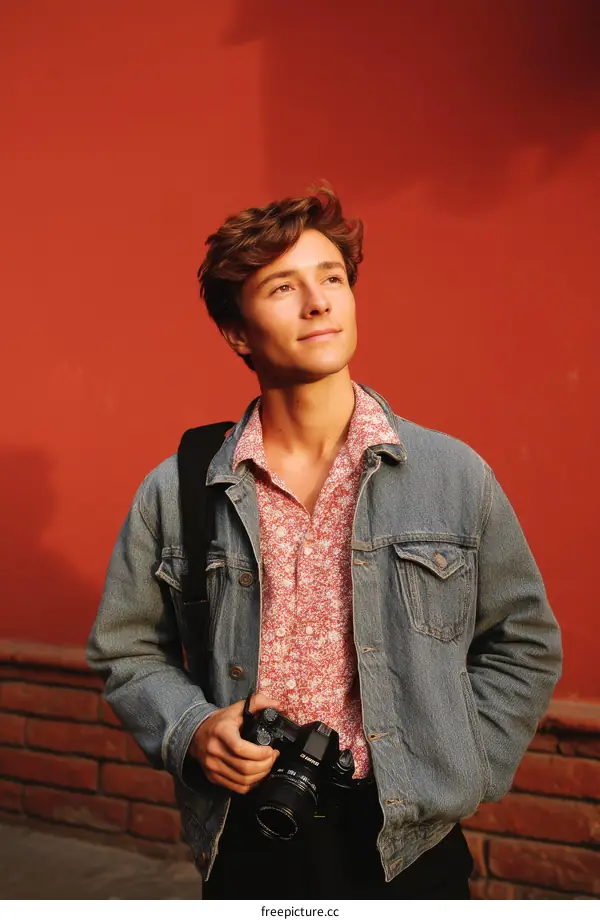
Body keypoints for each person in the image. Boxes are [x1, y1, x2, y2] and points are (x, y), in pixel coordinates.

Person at [87, 188, 562, 899]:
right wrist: (192, 730)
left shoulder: (454, 476)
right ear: (236, 332)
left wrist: (466, 764)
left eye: (332, 277)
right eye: (284, 287)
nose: (319, 302)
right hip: (248, 832)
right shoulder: (178, 489)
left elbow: (524, 642)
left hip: (408, 842)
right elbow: (124, 648)